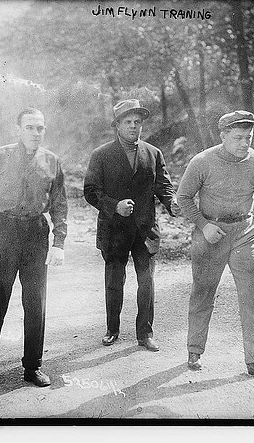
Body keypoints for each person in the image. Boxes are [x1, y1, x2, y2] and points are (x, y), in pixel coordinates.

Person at [176, 110, 254, 381]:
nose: (245, 143)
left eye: (249, 137)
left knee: (251, 295)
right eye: (238, 137)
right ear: (223, 136)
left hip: (245, 233)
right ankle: (194, 350)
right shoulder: (202, 162)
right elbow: (183, 198)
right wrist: (204, 225)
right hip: (210, 234)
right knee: (203, 292)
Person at [0, 107, 67, 390]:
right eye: (29, 127)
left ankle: (32, 366)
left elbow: (60, 204)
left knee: (36, 302)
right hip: (3, 231)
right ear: (18, 129)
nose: (35, 133)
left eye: (40, 128)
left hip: (36, 233)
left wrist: (59, 242)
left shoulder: (51, 161)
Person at [84, 99, 177, 351]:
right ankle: (112, 329)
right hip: (114, 230)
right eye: (128, 122)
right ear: (117, 125)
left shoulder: (153, 153)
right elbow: (91, 191)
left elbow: (163, 186)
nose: (134, 127)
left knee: (146, 281)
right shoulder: (101, 155)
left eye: (137, 122)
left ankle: (145, 333)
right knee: (114, 281)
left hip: (145, 230)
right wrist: (115, 206)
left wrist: (172, 202)